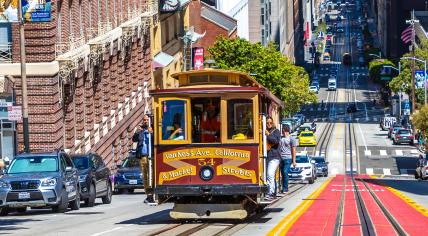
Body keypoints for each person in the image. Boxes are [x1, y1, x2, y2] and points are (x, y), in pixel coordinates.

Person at [132, 114, 154, 203]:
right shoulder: (140, 130)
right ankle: (148, 195)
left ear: (150, 120)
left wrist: (152, 133)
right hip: (143, 156)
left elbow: (157, 139)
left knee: (152, 176)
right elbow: (134, 139)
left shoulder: (153, 129)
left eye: (147, 120)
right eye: (144, 120)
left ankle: (153, 193)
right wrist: (137, 131)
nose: (145, 121)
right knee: (145, 177)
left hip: (151, 156)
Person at [265, 117, 281, 201]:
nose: (269, 124)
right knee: (269, 176)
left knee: (270, 175)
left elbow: (275, 141)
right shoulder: (264, 131)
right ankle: (273, 193)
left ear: (273, 123)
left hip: (275, 157)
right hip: (267, 157)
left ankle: (270, 193)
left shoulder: (276, 131)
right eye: (267, 123)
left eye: (270, 123)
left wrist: (268, 134)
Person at [279, 125, 297, 193]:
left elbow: (294, 150)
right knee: (283, 174)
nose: (282, 131)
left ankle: (285, 188)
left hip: (288, 158)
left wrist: (294, 161)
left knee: (285, 172)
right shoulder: (281, 138)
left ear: (284, 130)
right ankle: (283, 187)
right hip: (281, 159)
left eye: (283, 130)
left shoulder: (292, 139)